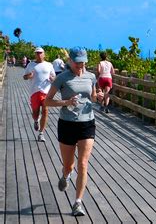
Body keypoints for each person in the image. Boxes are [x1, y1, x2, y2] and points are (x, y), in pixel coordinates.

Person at [45, 47, 103, 216]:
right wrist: (66, 102)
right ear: (70, 61)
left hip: (87, 123)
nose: (80, 65)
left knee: (83, 164)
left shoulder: (91, 76)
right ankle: (65, 176)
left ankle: (77, 203)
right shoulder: (61, 78)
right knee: (68, 166)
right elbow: (47, 102)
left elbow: (91, 97)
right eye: (77, 62)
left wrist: (97, 97)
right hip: (67, 124)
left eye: (83, 62)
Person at [23, 47, 55, 141]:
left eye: (40, 53)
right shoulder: (31, 65)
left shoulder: (49, 65)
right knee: (35, 112)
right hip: (34, 92)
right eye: (37, 53)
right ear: (35, 54)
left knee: (45, 111)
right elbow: (24, 77)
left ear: (44, 54)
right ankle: (36, 120)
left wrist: (52, 78)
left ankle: (41, 133)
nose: (39, 55)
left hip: (46, 92)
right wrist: (29, 76)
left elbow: (54, 77)